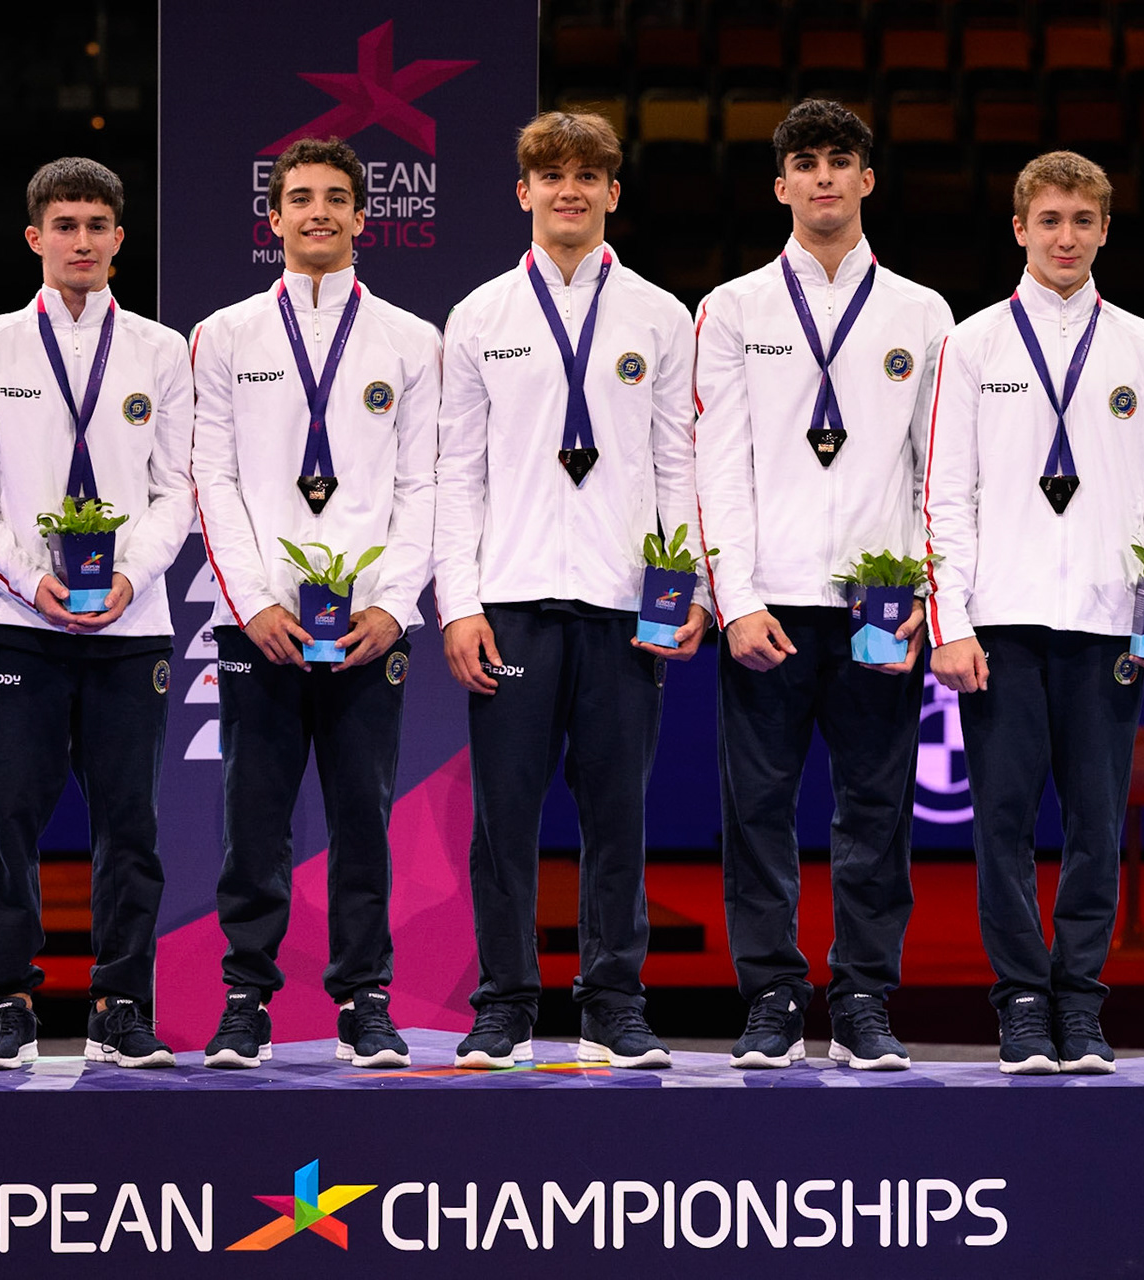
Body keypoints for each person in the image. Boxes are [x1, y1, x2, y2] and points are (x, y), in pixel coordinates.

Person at [923, 151, 1144, 1075]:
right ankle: (1018, 1004)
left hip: (1106, 621)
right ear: (1019, 228)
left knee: (1094, 820)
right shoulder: (970, 344)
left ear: (1106, 230)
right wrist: (951, 623)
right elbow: (945, 497)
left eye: (1083, 221)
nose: (1066, 237)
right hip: (1002, 621)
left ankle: (1079, 1006)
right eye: (1049, 220)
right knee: (1002, 822)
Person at [435, 111, 700, 1070]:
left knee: (617, 814)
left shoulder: (662, 317)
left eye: (589, 176)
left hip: (625, 603)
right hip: (509, 598)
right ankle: (505, 1001)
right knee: (504, 816)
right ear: (524, 192)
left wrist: (687, 592)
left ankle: (612, 1001)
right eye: (552, 176)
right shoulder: (479, 317)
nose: (571, 191)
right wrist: (458, 604)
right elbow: (455, 473)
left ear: (613, 194)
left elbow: (680, 467)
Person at [694, 99, 951, 1070]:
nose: (825, 178)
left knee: (876, 808)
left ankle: (863, 997)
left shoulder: (922, 314)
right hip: (769, 603)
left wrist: (929, 595)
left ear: (868, 179)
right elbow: (715, 463)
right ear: (781, 184)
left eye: (842, 161)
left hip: (880, 607)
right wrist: (735, 598)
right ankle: (769, 993)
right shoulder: (734, 308)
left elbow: (938, 470)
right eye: (807, 162)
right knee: (756, 808)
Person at [0, 157, 194, 1070]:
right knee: (9, 818)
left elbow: (179, 490)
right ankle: (6, 1003)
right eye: (65, 226)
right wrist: (21, 578)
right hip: (16, 621)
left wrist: (129, 574)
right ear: (35, 238)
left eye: (97, 226)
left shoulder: (164, 353)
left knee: (131, 822)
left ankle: (122, 1002)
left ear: (120, 240)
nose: (81, 241)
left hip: (133, 623)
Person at [190, 137, 438, 1069]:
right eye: (301, 198)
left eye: (337, 198)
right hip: (260, 623)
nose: (319, 212)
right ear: (275, 218)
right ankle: (245, 1000)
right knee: (251, 817)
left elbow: (425, 484)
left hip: (371, 627)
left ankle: (364, 1000)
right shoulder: (224, 336)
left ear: (364, 218)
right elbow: (211, 476)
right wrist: (252, 602)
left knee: (364, 816)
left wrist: (394, 604)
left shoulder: (415, 341)